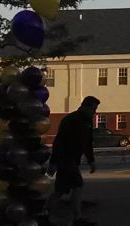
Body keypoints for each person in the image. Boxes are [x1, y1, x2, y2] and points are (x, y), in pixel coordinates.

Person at [47, 96, 100, 226]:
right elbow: (59, 141)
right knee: (78, 185)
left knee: (60, 191)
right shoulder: (71, 120)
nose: (94, 112)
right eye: (93, 109)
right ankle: (77, 218)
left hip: (73, 160)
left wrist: (91, 160)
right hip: (65, 159)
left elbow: (87, 143)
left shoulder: (87, 122)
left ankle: (44, 214)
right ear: (85, 106)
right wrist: (53, 162)